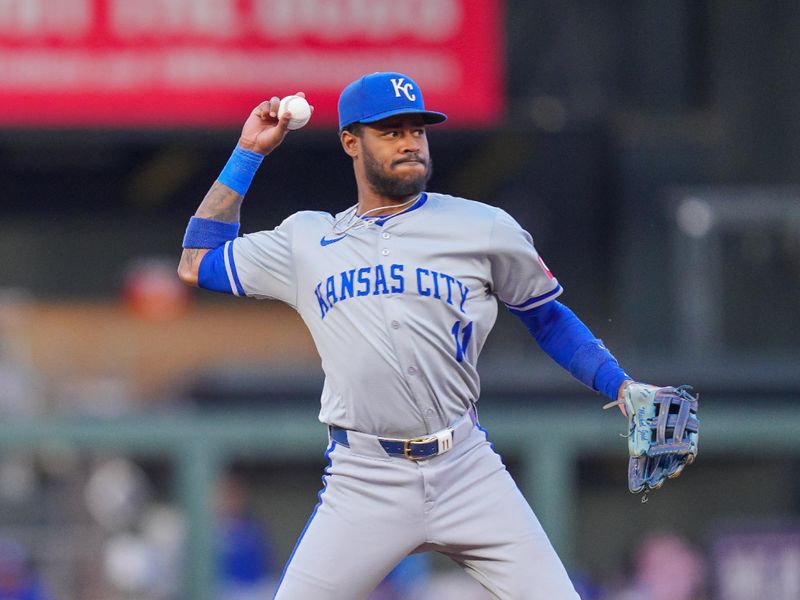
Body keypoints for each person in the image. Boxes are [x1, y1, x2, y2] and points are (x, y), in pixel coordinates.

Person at [177, 71, 648, 599]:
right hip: (364, 477)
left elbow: (547, 316)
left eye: (417, 130)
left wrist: (622, 387)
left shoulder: (483, 226)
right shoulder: (307, 239)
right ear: (351, 142)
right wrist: (248, 151)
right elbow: (198, 262)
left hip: (466, 467)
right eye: (391, 131)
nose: (410, 142)